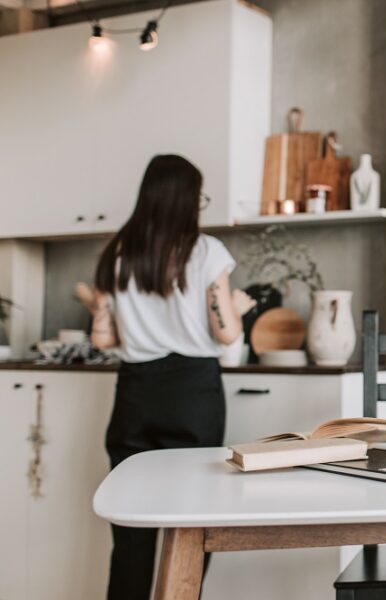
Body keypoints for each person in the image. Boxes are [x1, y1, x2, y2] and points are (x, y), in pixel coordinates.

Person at [77, 154, 255, 600]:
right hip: (192, 392)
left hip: (136, 391)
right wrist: (239, 308)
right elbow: (226, 330)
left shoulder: (118, 253)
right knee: (194, 521)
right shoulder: (206, 251)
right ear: (186, 200)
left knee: (131, 528)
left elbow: (103, 337)